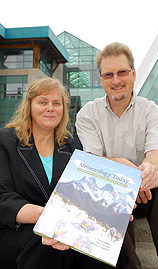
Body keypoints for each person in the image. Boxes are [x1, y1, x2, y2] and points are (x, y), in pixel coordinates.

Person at [75, 42, 158, 269]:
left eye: (122, 72)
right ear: (101, 79)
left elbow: (157, 154)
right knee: (109, 185)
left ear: (133, 74)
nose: (116, 80)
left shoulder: (151, 111)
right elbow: (92, 162)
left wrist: (149, 171)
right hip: (110, 195)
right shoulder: (87, 115)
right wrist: (123, 170)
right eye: (108, 74)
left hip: (145, 193)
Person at [0, 77, 109, 269]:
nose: (50, 108)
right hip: (16, 230)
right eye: (42, 102)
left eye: (56, 103)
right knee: (45, 241)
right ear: (29, 106)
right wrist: (46, 216)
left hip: (63, 228)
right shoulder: (6, 141)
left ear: (63, 110)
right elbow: (3, 198)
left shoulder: (73, 146)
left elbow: (86, 192)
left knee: (99, 247)